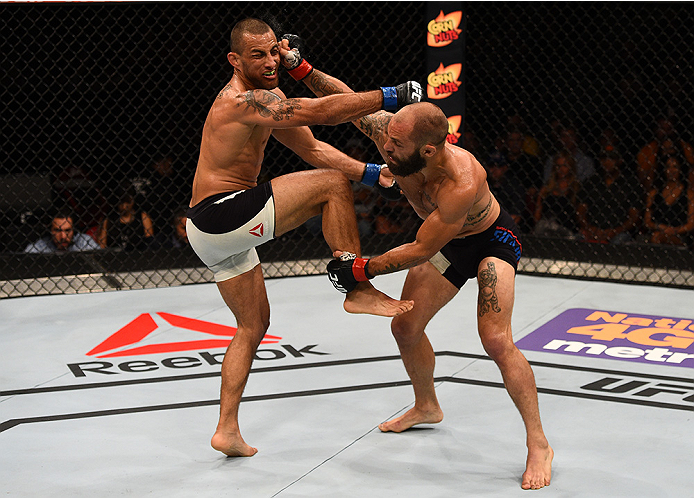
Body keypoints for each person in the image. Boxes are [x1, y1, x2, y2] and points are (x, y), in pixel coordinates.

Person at [288, 44, 552, 489]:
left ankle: (538, 442)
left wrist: (363, 270)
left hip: (489, 241)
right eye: (387, 137)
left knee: (495, 340)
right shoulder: (396, 139)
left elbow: (418, 247)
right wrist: (301, 68)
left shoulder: (461, 182)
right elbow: (347, 102)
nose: (385, 147)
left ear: (429, 151)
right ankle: (427, 405)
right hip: (448, 244)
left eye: (396, 144)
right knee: (405, 328)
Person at [186, 19, 420, 459]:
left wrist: (375, 174)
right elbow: (318, 111)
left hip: (211, 232)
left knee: (253, 326)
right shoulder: (242, 100)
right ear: (235, 61)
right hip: (220, 213)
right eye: (258, 55)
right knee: (331, 186)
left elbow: (312, 147)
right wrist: (392, 95)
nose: (272, 61)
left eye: (275, 51)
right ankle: (357, 288)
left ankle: (226, 430)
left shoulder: (268, 100)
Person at [577, 147, 644, 244]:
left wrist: (613, 232)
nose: (607, 162)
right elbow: (580, 210)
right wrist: (589, 228)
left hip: (619, 233)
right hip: (591, 230)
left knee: (620, 241)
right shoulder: (592, 181)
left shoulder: (631, 184)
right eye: (603, 158)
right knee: (574, 239)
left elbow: (634, 217)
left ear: (620, 160)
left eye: (611, 158)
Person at [643, 153, 694, 246]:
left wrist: (674, 230)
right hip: (657, 232)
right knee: (656, 236)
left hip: (680, 236)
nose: (671, 170)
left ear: (680, 169)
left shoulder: (689, 194)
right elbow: (647, 221)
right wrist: (661, 227)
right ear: (664, 169)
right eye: (668, 167)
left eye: (675, 167)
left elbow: (691, 224)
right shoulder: (654, 193)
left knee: (657, 237)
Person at [636, 115, 694, 192]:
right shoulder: (648, 150)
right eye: (662, 129)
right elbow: (643, 178)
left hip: (684, 190)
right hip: (656, 189)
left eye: (669, 129)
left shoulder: (686, 148)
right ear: (656, 130)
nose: (666, 132)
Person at [533, 150, 581, 239]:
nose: (561, 170)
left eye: (565, 166)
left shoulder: (576, 188)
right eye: (558, 166)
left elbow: (578, 216)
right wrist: (539, 197)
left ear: (571, 167)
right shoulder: (547, 188)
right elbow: (537, 217)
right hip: (546, 229)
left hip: (567, 231)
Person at [24, 211, 101, 253]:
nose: (63, 236)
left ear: (74, 230)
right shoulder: (38, 248)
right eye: (57, 230)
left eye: (67, 230)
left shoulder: (83, 242)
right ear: (50, 230)